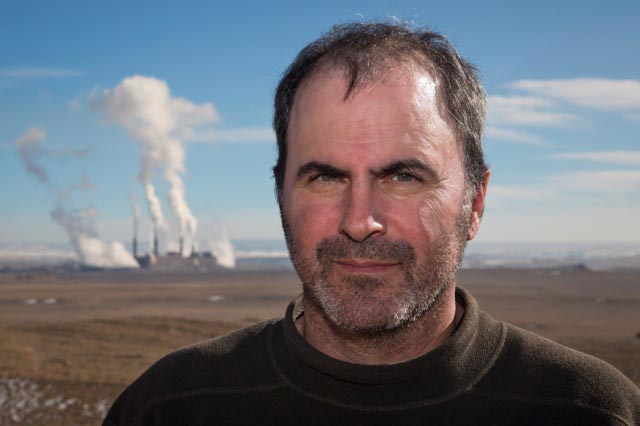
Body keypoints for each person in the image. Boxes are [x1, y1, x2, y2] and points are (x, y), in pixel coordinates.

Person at [103, 22, 640, 425]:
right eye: (325, 178)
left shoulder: (589, 410)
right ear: (280, 194)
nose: (359, 221)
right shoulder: (168, 407)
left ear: (475, 201)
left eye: (403, 176)